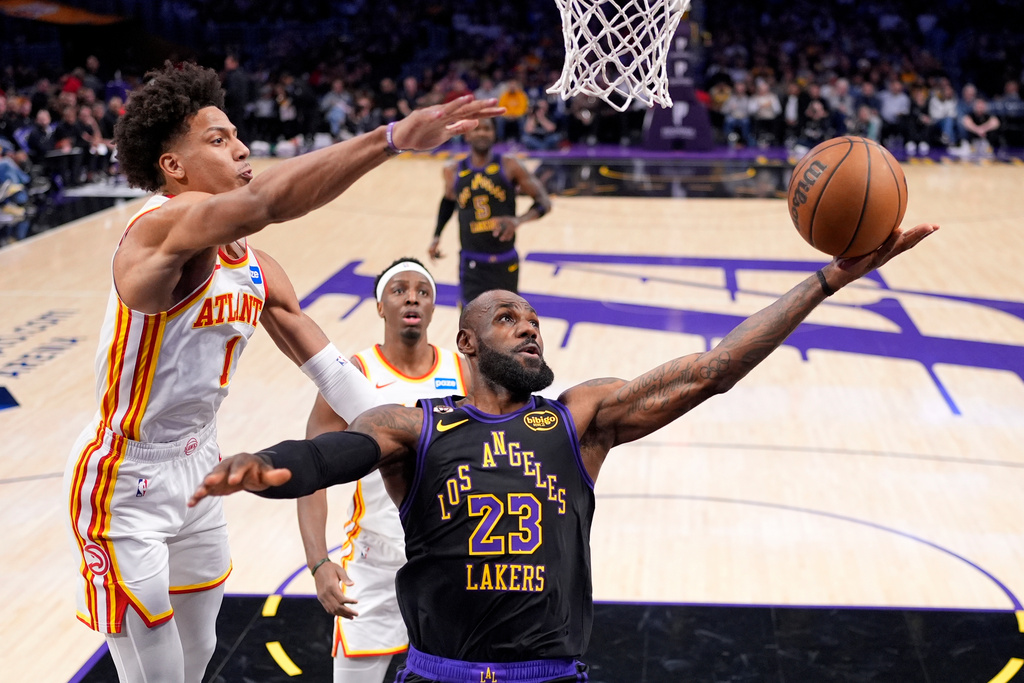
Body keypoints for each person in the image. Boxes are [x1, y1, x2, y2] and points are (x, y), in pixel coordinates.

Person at [190, 221, 938, 683]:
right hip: (436, 673)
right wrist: (269, 466)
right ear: (468, 341)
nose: (529, 327)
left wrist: (824, 282)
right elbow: (334, 454)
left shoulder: (580, 419)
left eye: (535, 319)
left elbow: (711, 369)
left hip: (546, 676)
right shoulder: (417, 426)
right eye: (509, 316)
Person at [62, 60, 502, 683]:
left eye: (236, 134)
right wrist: (391, 138)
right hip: (123, 475)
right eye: (217, 140)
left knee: (199, 651)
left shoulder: (257, 268)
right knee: (156, 673)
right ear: (173, 166)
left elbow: (332, 373)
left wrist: (424, 438)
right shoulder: (156, 234)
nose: (241, 147)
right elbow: (265, 200)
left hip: (197, 464)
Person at [297, 258, 470, 683]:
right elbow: (310, 469)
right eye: (399, 289)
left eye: (422, 291)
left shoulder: (465, 372)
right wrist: (318, 561)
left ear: (432, 307)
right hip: (375, 562)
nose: (412, 296)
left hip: (450, 561)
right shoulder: (355, 375)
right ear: (379, 306)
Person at [428, 118, 551, 306]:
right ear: (467, 134)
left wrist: (518, 221)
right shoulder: (452, 170)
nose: (482, 133)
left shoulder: (510, 166)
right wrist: (437, 236)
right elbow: (448, 201)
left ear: (494, 133)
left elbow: (544, 202)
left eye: (487, 129)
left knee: (508, 325)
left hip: (504, 260)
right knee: (471, 325)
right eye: (477, 130)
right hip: (471, 263)